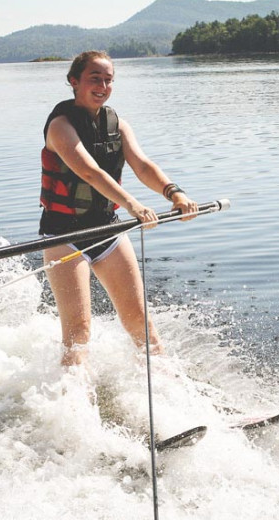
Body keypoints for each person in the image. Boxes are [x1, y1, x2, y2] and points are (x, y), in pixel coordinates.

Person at [40, 50, 197, 367]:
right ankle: (73, 407)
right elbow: (90, 172)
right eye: (94, 78)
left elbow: (141, 165)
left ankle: (172, 393)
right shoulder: (60, 126)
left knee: (141, 321)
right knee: (79, 332)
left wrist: (174, 193)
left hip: (107, 229)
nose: (102, 85)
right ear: (74, 82)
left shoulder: (118, 125)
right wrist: (133, 205)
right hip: (63, 236)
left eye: (108, 80)